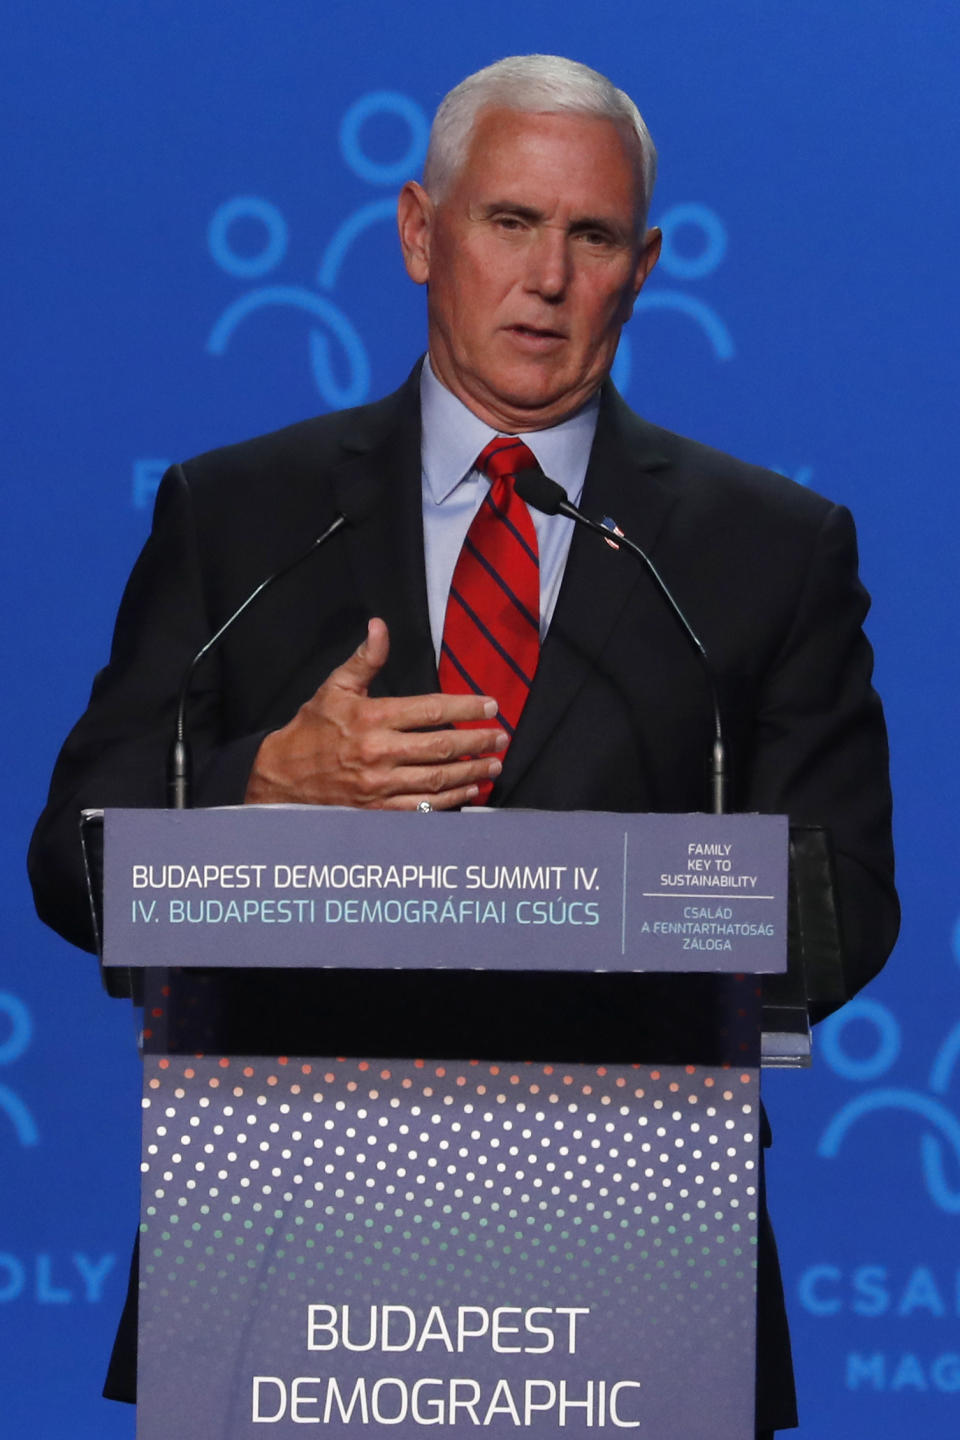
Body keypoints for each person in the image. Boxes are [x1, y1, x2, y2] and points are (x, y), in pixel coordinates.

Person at [28, 54, 898, 1436]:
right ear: (421, 233)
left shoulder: (765, 553)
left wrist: (598, 911)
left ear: (644, 264)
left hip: (634, 1255)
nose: (549, 277)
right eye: (510, 222)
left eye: (593, 236)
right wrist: (269, 782)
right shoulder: (243, 515)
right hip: (281, 1253)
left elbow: (843, 905)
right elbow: (75, 860)